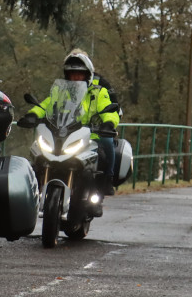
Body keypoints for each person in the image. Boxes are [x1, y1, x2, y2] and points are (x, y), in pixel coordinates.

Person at [20, 49, 120, 197]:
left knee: (104, 150)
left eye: (80, 74)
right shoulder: (61, 92)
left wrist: (108, 123)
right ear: (67, 75)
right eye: (72, 74)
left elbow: (108, 110)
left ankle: (103, 183)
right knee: (37, 155)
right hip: (63, 133)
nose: (76, 78)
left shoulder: (98, 92)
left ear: (88, 74)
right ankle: (28, 192)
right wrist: (33, 115)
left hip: (90, 134)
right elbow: (46, 104)